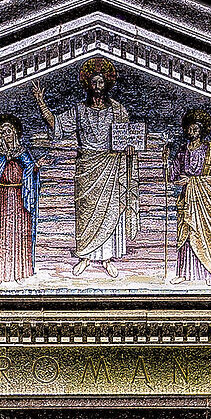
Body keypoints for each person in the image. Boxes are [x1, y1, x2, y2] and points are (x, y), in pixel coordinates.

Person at [36, 59, 137, 277]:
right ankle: (85, 255)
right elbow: (57, 126)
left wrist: (129, 147)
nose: (98, 86)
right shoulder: (79, 110)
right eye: (94, 82)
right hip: (87, 166)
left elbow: (128, 137)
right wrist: (41, 103)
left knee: (110, 210)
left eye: (101, 82)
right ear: (88, 85)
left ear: (106, 85)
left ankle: (108, 257)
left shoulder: (118, 110)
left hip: (111, 165)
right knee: (86, 212)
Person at [0, 114, 41, 282]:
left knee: (20, 234)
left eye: (9, 131)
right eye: (3, 132)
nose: (6, 134)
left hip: (20, 198)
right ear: (0, 136)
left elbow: (30, 170)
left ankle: (20, 273)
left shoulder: (23, 152)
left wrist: (35, 168)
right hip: (2, 199)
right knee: (1, 235)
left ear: (15, 133)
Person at [167, 108, 211, 281]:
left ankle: (208, 272)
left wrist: (191, 181)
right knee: (186, 233)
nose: (192, 132)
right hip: (186, 198)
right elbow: (173, 173)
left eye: (196, 129)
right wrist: (166, 162)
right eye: (190, 129)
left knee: (203, 234)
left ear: (202, 130)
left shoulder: (210, 149)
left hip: (203, 200)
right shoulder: (183, 149)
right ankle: (184, 274)